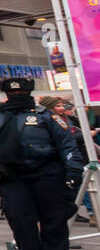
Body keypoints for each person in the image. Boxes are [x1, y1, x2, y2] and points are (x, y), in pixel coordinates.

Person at [0, 78, 83, 250]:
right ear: (6, 94)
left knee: (53, 219)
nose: (17, 96)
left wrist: (74, 170)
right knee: (19, 219)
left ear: (28, 93)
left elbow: (67, 145)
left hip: (47, 172)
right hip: (12, 174)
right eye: (13, 93)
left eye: (21, 93)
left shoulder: (46, 116)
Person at [40, 96, 94, 226]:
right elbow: (67, 138)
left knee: (75, 191)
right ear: (50, 107)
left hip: (73, 160)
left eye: (62, 106)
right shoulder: (47, 120)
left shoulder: (66, 119)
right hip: (56, 164)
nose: (62, 108)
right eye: (58, 106)